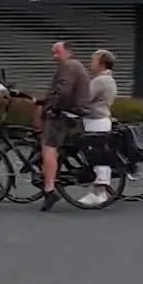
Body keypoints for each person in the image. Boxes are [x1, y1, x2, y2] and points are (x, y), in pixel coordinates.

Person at [35, 40, 89, 212]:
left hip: (64, 114)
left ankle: (49, 190)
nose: (54, 56)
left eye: (57, 52)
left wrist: (51, 108)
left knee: (49, 148)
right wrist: (41, 101)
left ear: (69, 52)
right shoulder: (73, 66)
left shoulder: (70, 66)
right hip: (69, 111)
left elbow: (63, 91)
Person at [82, 49, 119, 206]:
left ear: (101, 63)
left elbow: (85, 99)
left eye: (93, 60)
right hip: (102, 119)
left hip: (95, 120)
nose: (91, 64)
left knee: (97, 156)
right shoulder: (109, 79)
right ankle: (96, 191)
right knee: (100, 155)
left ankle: (99, 192)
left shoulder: (99, 81)